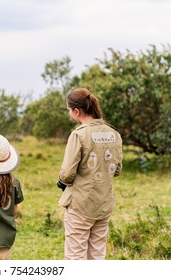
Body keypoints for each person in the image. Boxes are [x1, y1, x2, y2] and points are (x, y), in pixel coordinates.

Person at [57, 88, 123, 260]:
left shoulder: (78, 135)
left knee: (76, 257)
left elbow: (67, 175)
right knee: (97, 255)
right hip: (104, 204)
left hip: (81, 204)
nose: (69, 113)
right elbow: (117, 170)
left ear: (76, 111)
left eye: (69, 110)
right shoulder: (114, 134)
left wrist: (62, 180)